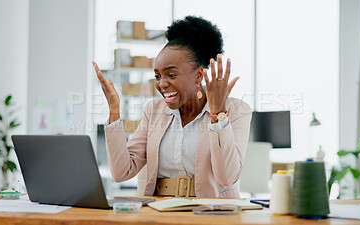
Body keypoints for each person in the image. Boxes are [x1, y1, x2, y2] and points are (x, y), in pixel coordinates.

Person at [93, 16, 252, 198]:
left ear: (199, 75)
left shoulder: (237, 110)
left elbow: (227, 177)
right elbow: (122, 172)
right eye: (158, 76)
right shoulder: (153, 110)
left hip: (211, 211)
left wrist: (218, 114)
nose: (162, 84)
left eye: (171, 75)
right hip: (160, 209)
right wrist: (114, 110)